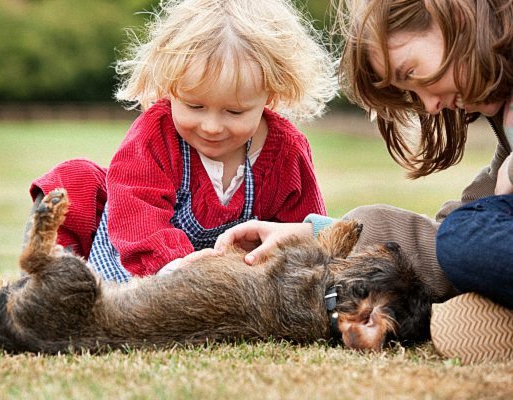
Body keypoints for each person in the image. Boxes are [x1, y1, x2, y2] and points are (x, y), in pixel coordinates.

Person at [216, 0, 513, 364]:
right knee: (461, 238)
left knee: (462, 237)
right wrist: (320, 235)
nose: (431, 106)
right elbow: (444, 244)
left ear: (451, 14)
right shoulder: (505, 122)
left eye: (412, 71)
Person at [25, 0, 336, 282]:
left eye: (234, 111)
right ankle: (52, 279)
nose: (212, 126)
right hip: (140, 272)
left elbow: (301, 237)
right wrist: (174, 266)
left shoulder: (287, 152)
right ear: (169, 86)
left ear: (272, 94)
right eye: (194, 106)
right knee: (76, 178)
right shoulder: (156, 134)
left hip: (225, 288)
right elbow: (136, 209)